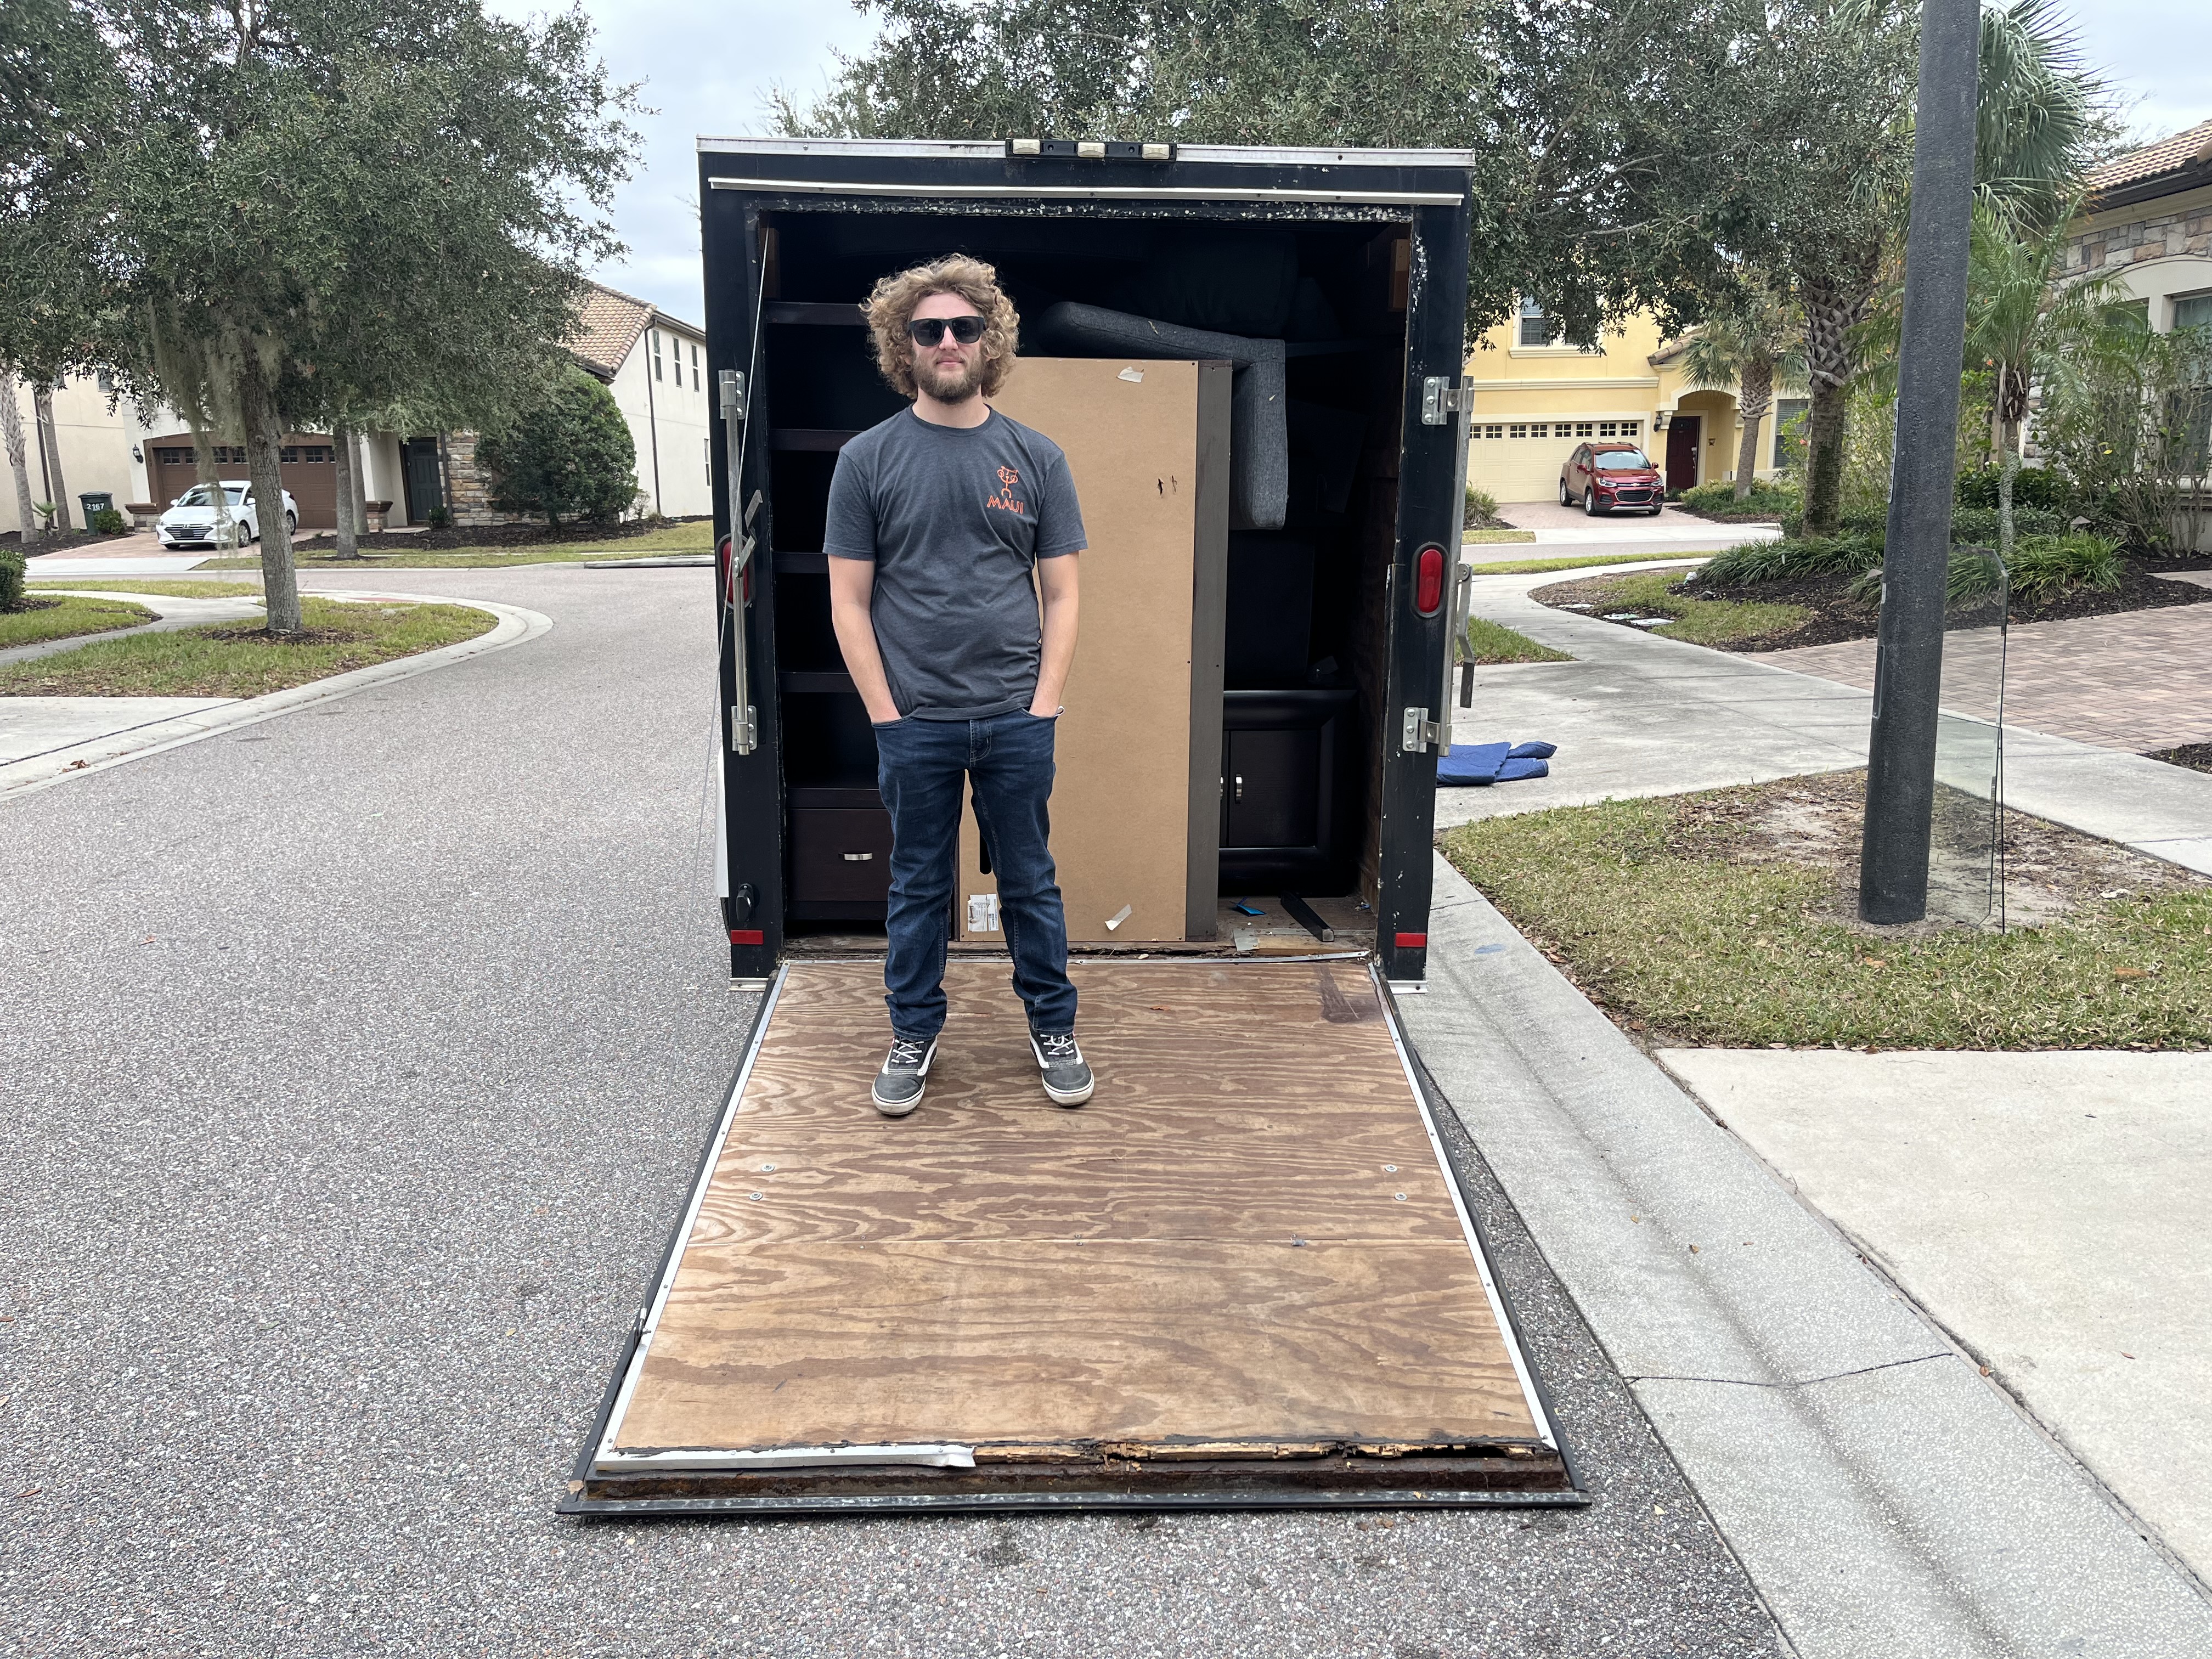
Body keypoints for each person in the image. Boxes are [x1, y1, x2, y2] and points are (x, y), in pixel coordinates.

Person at [823, 254, 1092, 1118]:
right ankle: (912, 1031)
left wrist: (1043, 704)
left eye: (964, 328)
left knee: (1031, 884)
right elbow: (848, 602)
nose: (947, 341)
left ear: (990, 341)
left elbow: (1064, 591)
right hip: (917, 724)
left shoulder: (1036, 458)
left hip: (1015, 718)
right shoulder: (866, 461)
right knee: (917, 888)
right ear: (903, 347)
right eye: (929, 329)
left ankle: (1053, 1026)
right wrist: (887, 715)